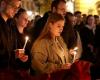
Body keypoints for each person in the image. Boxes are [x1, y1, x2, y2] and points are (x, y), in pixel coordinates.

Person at [0, 0, 21, 79]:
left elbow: (9, 49)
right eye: (13, 6)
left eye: (18, 7)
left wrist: (16, 55)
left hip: (9, 72)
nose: (16, 10)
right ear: (3, 3)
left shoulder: (11, 25)